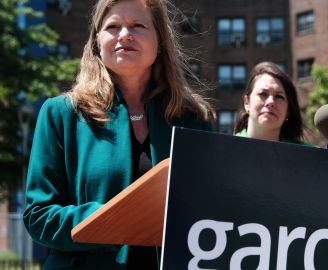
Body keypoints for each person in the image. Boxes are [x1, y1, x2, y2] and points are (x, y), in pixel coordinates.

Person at [23, 0, 213, 269]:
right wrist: (109, 220)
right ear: (97, 43)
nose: (125, 34)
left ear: (160, 42)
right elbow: (38, 216)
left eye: (138, 25)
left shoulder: (195, 118)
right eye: (113, 26)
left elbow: (209, 211)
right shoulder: (60, 114)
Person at [234, 62, 308, 145]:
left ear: (288, 111)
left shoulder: (310, 155)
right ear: (247, 102)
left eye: (279, 96)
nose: (270, 102)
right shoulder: (223, 149)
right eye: (263, 94)